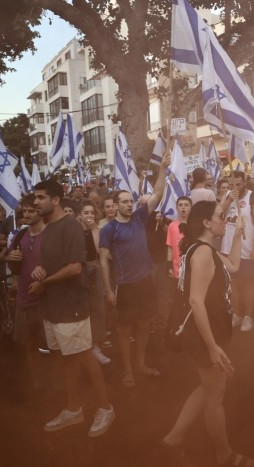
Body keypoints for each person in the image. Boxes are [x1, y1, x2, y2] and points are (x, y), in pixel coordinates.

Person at [161, 201, 253, 467]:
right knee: (215, 396)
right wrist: (212, 346)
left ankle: (174, 437)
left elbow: (234, 266)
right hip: (204, 336)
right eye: (220, 217)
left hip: (209, 332)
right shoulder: (201, 253)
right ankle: (224, 455)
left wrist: (237, 236)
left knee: (207, 387)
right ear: (205, 222)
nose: (224, 220)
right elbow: (195, 302)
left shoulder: (205, 249)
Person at [31, 180, 115, 436]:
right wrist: (40, 270)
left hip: (72, 307)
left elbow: (75, 267)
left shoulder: (70, 227)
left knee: (84, 357)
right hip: (53, 307)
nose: (36, 202)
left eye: (41, 197)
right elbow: (55, 263)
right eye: (35, 197)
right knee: (65, 360)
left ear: (55, 200)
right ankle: (74, 409)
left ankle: (106, 407)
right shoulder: (48, 228)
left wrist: (44, 281)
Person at [99, 152, 169, 387]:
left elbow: (157, 193)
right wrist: (108, 291)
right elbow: (102, 260)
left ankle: (140, 364)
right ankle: (127, 370)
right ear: (116, 206)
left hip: (144, 282)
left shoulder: (140, 218)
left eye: (131, 201)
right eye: (125, 202)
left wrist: (163, 169)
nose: (130, 205)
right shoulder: (109, 230)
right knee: (123, 330)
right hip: (125, 286)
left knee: (144, 326)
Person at [7, 195, 47, 391]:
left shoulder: (51, 235)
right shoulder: (19, 236)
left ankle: (57, 386)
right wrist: (11, 258)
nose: (27, 215)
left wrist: (45, 276)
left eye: (32, 210)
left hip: (47, 301)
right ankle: (37, 384)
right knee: (30, 345)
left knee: (50, 346)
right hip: (24, 299)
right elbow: (14, 265)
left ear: (41, 210)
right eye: (25, 211)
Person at [221, 171, 254, 332]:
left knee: (248, 283)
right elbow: (218, 214)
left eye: (238, 184)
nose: (235, 188)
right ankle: (237, 314)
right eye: (232, 185)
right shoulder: (227, 196)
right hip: (228, 249)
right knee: (233, 284)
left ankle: (248, 316)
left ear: (244, 182)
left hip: (247, 248)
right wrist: (228, 201)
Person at [78, 199, 111, 365]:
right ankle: (84, 347)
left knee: (97, 307)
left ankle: (96, 346)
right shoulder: (75, 231)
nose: (89, 215)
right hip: (78, 273)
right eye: (86, 213)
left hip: (93, 270)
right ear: (80, 215)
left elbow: (99, 251)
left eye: (91, 212)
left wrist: (92, 229)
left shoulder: (97, 230)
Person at [167, 196, 193, 280]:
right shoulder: (172, 226)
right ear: (176, 207)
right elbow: (170, 247)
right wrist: (169, 266)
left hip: (192, 267)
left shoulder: (195, 225)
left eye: (186, 205)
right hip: (177, 269)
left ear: (191, 207)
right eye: (180, 205)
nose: (183, 207)